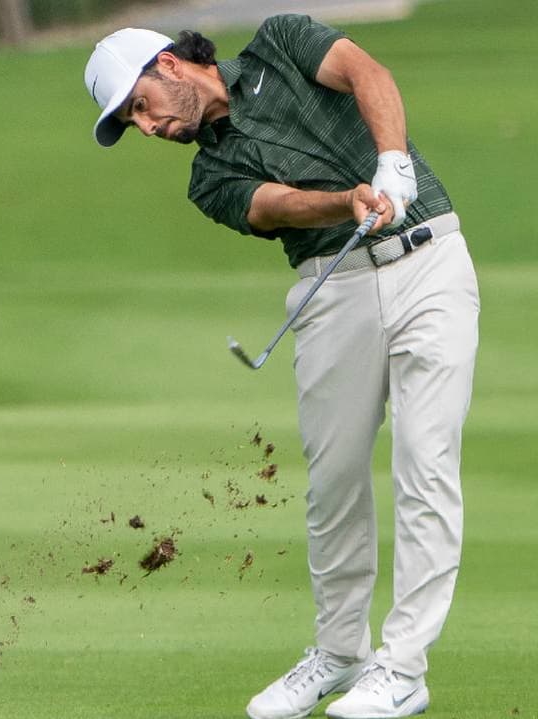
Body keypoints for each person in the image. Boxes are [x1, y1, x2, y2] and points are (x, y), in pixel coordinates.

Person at [83, 15, 479, 719]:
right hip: (336, 287)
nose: (146, 128)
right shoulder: (208, 177)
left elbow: (369, 76)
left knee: (426, 461)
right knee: (332, 482)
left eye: (139, 106)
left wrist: (392, 163)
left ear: (169, 66)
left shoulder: (282, 41)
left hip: (430, 263)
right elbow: (275, 207)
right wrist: (347, 200)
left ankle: (403, 666)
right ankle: (339, 652)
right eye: (131, 122)